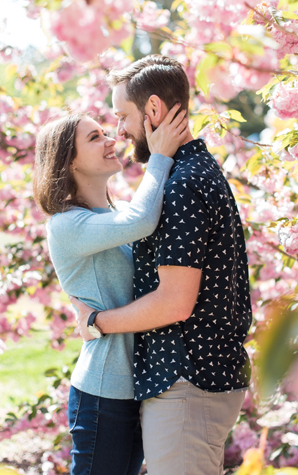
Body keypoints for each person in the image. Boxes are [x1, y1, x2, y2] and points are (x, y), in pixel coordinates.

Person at [71, 55, 253, 475]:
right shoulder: (192, 172)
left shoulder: (183, 185)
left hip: (187, 380)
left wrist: (97, 322)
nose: (118, 131)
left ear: (152, 110)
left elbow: (175, 302)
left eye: (122, 116)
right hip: (193, 380)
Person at [33, 103, 189, 475]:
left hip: (138, 386)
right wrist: (161, 156)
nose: (110, 139)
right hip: (104, 393)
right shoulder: (67, 224)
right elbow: (143, 218)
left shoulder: (109, 215)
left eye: (105, 131)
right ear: (68, 162)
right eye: (94, 137)